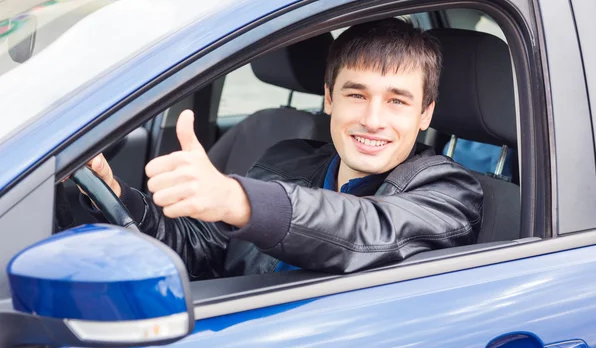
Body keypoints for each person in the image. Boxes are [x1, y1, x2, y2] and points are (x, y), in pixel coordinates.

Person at [71, 18, 483, 279]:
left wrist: (240, 200)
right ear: (328, 98)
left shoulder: (449, 192)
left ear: (425, 113)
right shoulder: (286, 160)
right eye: (356, 95)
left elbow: (370, 230)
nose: (373, 119)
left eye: (397, 100)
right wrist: (116, 195)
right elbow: (200, 252)